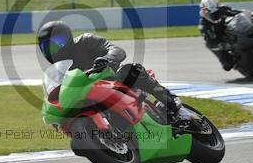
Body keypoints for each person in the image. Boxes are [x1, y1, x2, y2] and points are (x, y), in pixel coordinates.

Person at [37, 20, 181, 121]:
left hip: (112, 81)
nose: (54, 49)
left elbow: (115, 49)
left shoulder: (85, 41)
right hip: (85, 96)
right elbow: (56, 92)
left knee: (130, 69)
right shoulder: (55, 71)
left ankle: (168, 98)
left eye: (58, 43)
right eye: (48, 47)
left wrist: (108, 59)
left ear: (68, 37)